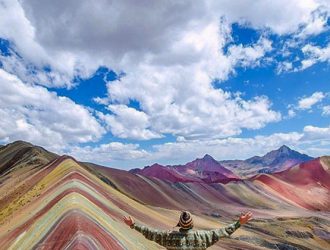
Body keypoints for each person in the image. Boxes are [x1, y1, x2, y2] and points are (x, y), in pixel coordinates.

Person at [123, 211, 252, 250]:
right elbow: (223, 232)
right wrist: (238, 223)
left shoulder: (167, 237)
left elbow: (150, 232)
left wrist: (133, 225)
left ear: (180, 224)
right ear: (192, 224)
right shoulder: (203, 236)